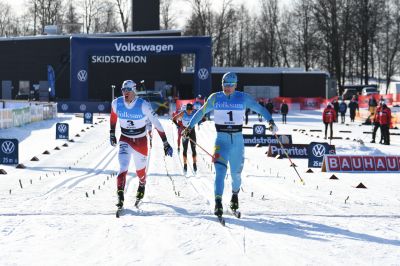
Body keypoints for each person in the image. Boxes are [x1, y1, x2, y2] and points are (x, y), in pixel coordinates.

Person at [182, 72, 277, 218]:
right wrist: (189, 127)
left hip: (237, 142)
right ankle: (218, 202)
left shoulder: (243, 97)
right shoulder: (215, 98)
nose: (227, 88)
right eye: (225, 85)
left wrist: (270, 121)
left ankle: (234, 196)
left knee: (236, 175)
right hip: (221, 140)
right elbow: (201, 112)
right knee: (220, 172)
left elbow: (260, 109)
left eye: (230, 85)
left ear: (235, 85)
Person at [110, 80, 173, 209]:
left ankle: (142, 183)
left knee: (140, 173)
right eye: (123, 90)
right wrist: (112, 133)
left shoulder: (143, 105)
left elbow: (157, 123)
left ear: (134, 91)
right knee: (123, 167)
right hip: (125, 139)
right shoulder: (116, 103)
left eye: (128, 90)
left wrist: (165, 142)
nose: (125, 93)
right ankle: (120, 195)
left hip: (141, 141)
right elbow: (113, 117)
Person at [173, 103, 198, 174]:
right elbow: (174, 119)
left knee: (194, 149)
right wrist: (178, 126)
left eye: (190, 110)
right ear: (186, 109)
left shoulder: (194, 113)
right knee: (185, 149)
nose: (189, 112)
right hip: (184, 131)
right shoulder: (183, 113)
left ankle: (194, 164)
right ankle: (185, 165)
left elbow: (201, 117)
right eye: (188, 110)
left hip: (192, 131)